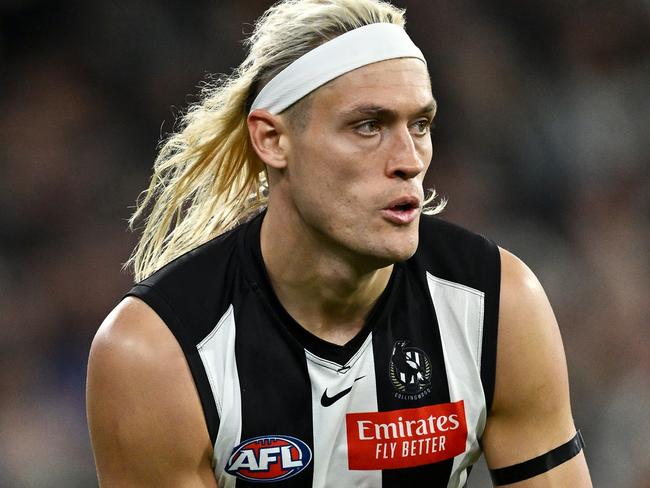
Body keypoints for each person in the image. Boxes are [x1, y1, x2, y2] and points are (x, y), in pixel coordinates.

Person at [86, 0, 592, 486]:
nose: (409, 159)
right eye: (368, 126)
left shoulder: (498, 305)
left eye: (420, 125)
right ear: (272, 140)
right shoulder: (156, 353)